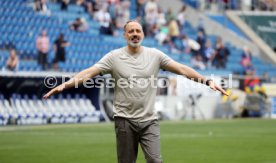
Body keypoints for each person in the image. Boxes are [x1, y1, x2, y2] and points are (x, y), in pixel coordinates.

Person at [43, 20, 228, 163]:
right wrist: (65, 84)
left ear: (143, 34)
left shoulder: (155, 55)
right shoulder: (114, 57)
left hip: (149, 121)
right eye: (131, 31)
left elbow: (182, 69)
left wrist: (206, 80)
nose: (134, 34)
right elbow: (89, 72)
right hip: (124, 121)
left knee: (155, 160)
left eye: (138, 31)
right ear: (125, 35)